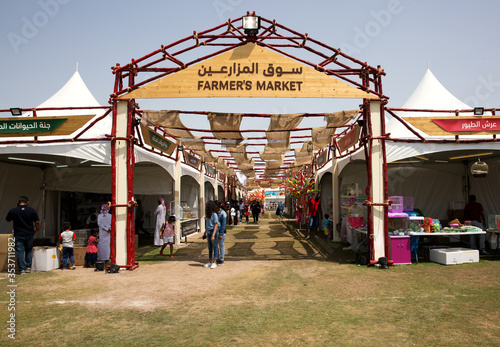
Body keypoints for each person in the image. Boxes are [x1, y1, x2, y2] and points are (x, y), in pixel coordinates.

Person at [6, 196, 39, 275]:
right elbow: (37, 222)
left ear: (18, 202)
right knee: (29, 250)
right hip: (29, 234)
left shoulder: (13, 211)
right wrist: (37, 229)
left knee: (20, 252)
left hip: (18, 234)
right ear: (27, 202)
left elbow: (8, 219)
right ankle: (28, 267)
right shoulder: (32, 210)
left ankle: (22, 269)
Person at [203, 201, 219, 269]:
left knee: (214, 246)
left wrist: (213, 235)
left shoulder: (214, 214)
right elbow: (207, 225)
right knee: (210, 247)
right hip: (209, 231)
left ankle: (214, 262)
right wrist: (205, 233)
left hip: (213, 231)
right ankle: (210, 261)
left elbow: (216, 225)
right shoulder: (208, 215)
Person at [217, 201, 227, 266]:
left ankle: (222, 259)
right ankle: (217, 258)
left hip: (221, 232)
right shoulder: (217, 213)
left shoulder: (223, 213)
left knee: (221, 246)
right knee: (216, 245)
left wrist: (221, 233)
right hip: (217, 231)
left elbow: (223, 224)